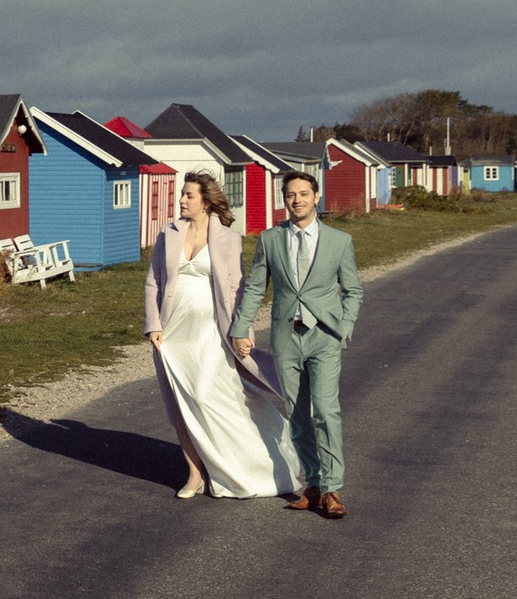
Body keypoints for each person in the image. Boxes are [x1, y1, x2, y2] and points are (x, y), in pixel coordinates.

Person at [144, 171, 301, 499]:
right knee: (182, 402)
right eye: (183, 195)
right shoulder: (168, 234)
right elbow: (154, 282)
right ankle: (195, 473)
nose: (182, 200)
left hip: (213, 332)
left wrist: (241, 329)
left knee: (208, 396)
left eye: (189, 195)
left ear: (206, 201)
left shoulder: (228, 238)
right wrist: (154, 325)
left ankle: (253, 462)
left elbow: (237, 288)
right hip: (174, 334)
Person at [231, 167, 363, 518]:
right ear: (284, 199)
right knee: (297, 413)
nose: (297, 200)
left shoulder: (339, 241)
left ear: (316, 197)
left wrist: (343, 326)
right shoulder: (271, 239)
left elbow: (353, 290)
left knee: (326, 410)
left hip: (324, 337)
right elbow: (256, 286)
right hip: (286, 337)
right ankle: (314, 486)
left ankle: (333, 488)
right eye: (290, 195)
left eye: (304, 194)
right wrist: (241, 327)